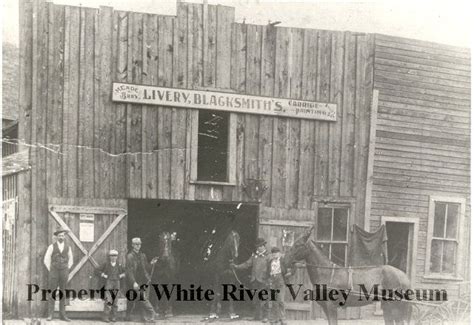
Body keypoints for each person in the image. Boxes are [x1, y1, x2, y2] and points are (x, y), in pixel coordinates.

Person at [231, 237, 269, 322]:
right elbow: (247, 264)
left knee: (264, 299)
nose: (258, 248)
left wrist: (268, 279)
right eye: (257, 247)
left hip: (263, 281)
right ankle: (257, 316)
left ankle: (265, 316)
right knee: (255, 298)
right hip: (254, 280)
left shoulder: (268, 257)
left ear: (264, 246)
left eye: (260, 246)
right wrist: (236, 266)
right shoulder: (254, 256)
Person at [43, 228, 73, 322]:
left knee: (63, 293)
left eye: (63, 235)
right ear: (56, 237)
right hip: (54, 271)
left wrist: (67, 268)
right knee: (52, 292)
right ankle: (50, 314)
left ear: (64, 237)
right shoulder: (52, 246)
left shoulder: (68, 247)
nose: (61, 237)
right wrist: (51, 269)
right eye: (59, 236)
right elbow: (46, 259)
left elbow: (71, 259)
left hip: (64, 271)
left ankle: (62, 315)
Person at [125, 237, 158, 322]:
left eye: (139, 244)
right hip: (135, 282)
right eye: (136, 244)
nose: (138, 246)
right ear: (132, 245)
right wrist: (133, 282)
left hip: (143, 281)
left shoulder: (143, 255)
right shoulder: (130, 256)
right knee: (140, 299)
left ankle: (144, 317)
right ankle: (152, 313)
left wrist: (151, 263)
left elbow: (146, 267)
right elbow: (129, 271)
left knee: (143, 299)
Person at [96, 249, 126, 322]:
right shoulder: (106, 264)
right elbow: (97, 270)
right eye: (112, 256)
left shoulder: (119, 265)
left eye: (115, 256)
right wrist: (103, 275)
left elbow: (126, 272)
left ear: (117, 257)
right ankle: (105, 317)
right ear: (109, 257)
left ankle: (114, 317)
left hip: (117, 283)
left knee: (115, 301)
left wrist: (121, 275)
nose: (113, 257)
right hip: (108, 283)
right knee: (108, 300)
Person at [267, 247, 287, 325]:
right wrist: (268, 280)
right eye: (273, 253)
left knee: (281, 300)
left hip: (280, 281)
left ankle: (283, 318)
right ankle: (274, 318)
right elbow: (267, 273)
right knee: (273, 301)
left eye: (276, 253)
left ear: (279, 253)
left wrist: (290, 273)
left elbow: (292, 267)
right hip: (272, 281)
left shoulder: (283, 261)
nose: (275, 254)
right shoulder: (269, 262)